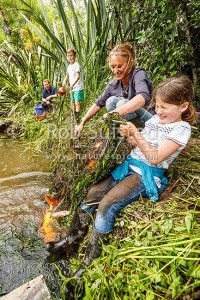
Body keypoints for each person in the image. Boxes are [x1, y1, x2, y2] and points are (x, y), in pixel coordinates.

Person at [46, 76, 196, 276]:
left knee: (107, 204)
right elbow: (140, 145)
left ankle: (88, 262)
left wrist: (136, 132)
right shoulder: (155, 120)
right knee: (92, 193)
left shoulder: (181, 129)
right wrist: (129, 136)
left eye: (164, 107)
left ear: (183, 106)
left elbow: (155, 156)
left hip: (146, 174)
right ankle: (71, 242)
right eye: (157, 106)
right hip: (129, 165)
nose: (158, 111)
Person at [75, 43, 153, 136]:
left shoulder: (138, 74)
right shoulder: (113, 84)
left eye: (120, 66)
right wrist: (82, 123)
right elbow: (97, 104)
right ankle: (124, 137)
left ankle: (139, 134)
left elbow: (142, 98)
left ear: (130, 63)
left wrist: (113, 114)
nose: (116, 71)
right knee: (110, 101)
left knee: (122, 103)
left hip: (150, 122)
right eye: (113, 67)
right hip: (131, 125)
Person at [62, 48, 84, 121]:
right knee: (72, 102)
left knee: (77, 102)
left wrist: (73, 84)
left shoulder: (76, 65)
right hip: (72, 87)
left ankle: (77, 117)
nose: (70, 57)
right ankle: (74, 115)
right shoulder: (69, 66)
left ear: (75, 56)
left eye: (71, 55)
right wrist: (64, 81)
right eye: (68, 56)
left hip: (77, 86)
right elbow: (67, 76)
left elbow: (78, 76)